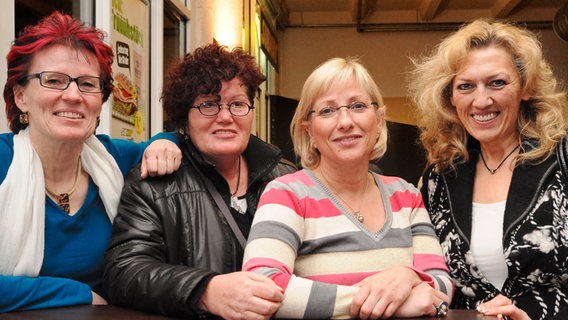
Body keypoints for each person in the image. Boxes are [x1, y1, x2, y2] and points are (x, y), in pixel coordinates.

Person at [242, 57, 454, 319]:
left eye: (357, 106)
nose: (345, 121)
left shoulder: (406, 194)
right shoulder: (286, 194)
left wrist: (406, 275)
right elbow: (262, 286)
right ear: (308, 130)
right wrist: (387, 302)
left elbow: (441, 285)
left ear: (379, 120)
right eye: (327, 110)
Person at [0, 12, 182, 312]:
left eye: (87, 84)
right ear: (21, 96)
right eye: (54, 80)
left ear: (100, 102)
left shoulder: (111, 158)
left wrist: (165, 142)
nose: (73, 95)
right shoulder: (4, 161)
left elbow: (175, 140)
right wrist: (75, 293)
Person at [103, 43, 296, 320]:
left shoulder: (286, 178)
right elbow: (123, 271)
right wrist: (204, 291)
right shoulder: (153, 183)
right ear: (185, 117)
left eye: (238, 104)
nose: (226, 117)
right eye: (208, 104)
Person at [408, 19, 568, 320]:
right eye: (466, 86)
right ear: (450, 98)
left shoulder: (561, 160)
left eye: (497, 82)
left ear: (526, 87)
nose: (482, 100)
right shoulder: (439, 178)